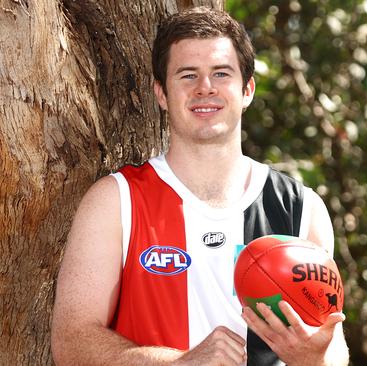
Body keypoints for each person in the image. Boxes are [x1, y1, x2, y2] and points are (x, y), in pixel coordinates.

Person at [51, 6, 349, 366]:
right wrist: (179, 364)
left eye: (221, 73)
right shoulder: (116, 200)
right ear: (161, 93)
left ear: (248, 89)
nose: (205, 87)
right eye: (187, 75)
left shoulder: (302, 209)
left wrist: (314, 359)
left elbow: (330, 343)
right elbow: (71, 342)